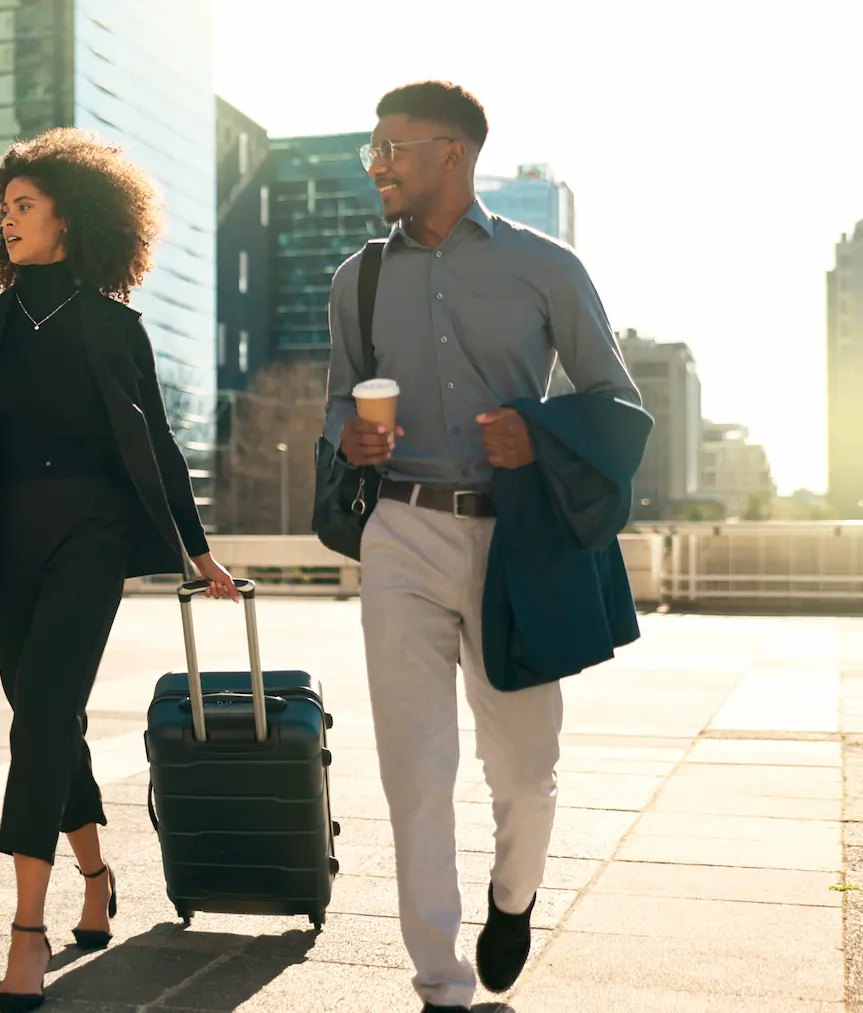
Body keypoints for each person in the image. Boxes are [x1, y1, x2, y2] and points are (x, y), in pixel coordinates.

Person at [325, 82, 639, 1012]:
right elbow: (340, 399)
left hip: (518, 540)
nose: (377, 166)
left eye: (393, 149)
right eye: (371, 152)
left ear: (451, 152)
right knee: (414, 769)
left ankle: (515, 895)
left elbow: (617, 403)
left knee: (525, 769)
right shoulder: (360, 276)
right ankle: (440, 984)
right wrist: (350, 436)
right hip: (401, 531)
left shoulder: (546, 266)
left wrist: (536, 434)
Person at [0, 128, 239, 1013]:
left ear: (73, 218)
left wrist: (197, 547)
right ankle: (97, 874)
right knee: (43, 714)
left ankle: (25, 929)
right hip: (6, 543)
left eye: (26, 205)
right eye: (7, 207)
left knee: (42, 714)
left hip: (91, 537)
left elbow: (156, 444)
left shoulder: (113, 324)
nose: (10, 218)